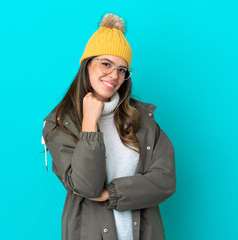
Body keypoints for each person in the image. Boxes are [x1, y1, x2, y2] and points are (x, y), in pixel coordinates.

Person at [41, 13, 176, 240]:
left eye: (122, 69)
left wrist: (111, 194)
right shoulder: (59, 124)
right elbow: (86, 187)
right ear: (87, 64)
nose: (114, 75)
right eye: (106, 64)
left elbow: (165, 180)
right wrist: (89, 124)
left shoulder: (142, 118)